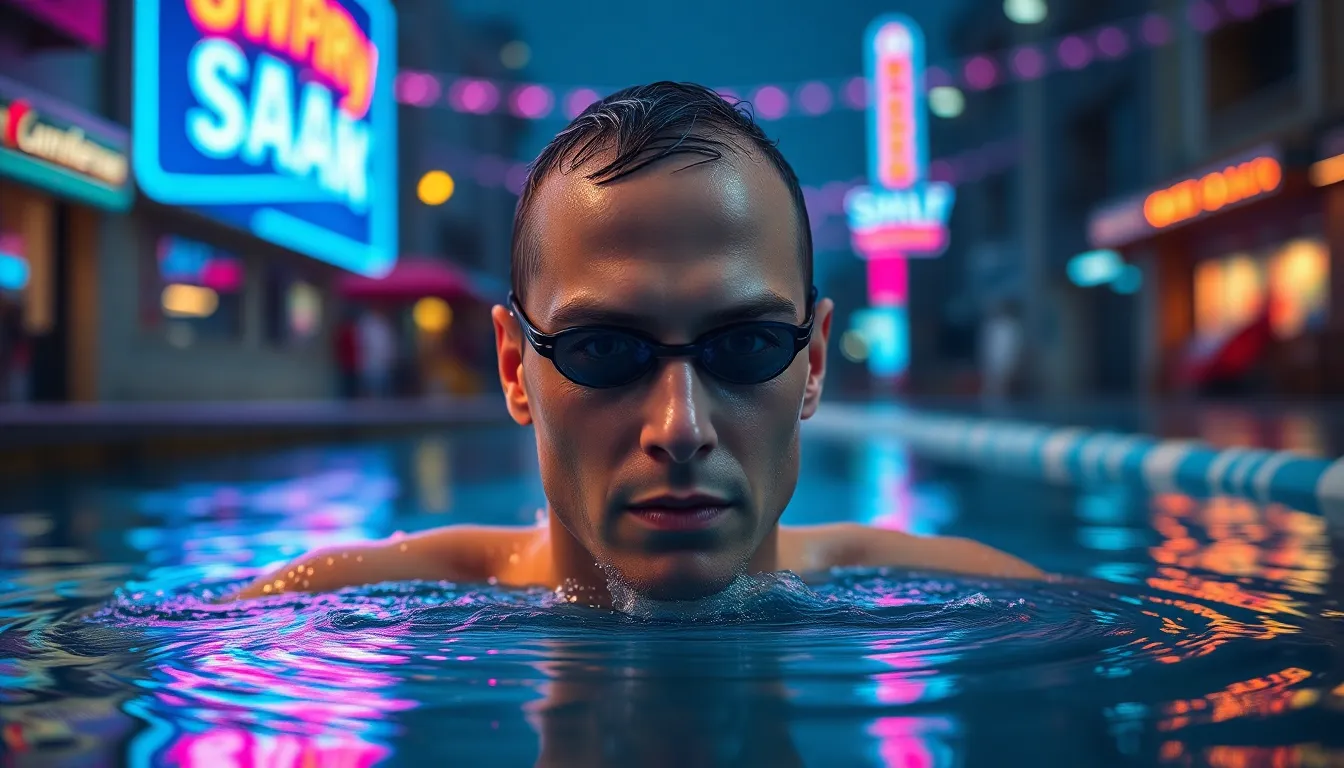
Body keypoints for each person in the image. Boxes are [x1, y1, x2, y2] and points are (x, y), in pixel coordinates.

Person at [232, 82, 1040, 606]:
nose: (680, 428)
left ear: (814, 362)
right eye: (605, 351)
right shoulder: (313, 609)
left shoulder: (974, 594)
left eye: (749, 345)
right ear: (516, 367)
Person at [355, 309, 396, 399]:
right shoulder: (366, 323)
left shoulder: (384, 323)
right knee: (370, 387)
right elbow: (361, 343)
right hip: (369, 362)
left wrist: (389, 357)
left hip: (383, 362)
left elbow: (388, 343)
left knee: (384, 388)